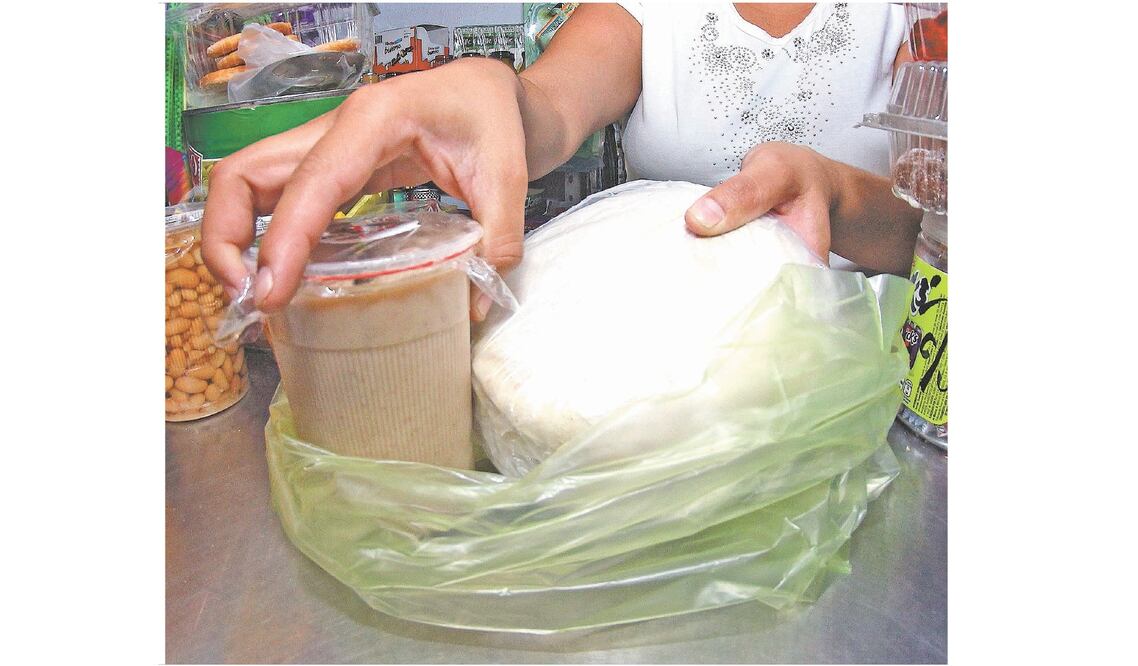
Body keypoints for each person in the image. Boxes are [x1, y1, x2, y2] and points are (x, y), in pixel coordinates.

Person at [202, 2, 923, 320]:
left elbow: (937, 233)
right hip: (667, 373)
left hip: (874, 384)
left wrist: (834, 196)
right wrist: (477, 95)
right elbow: (547, 110)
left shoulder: (922, 16)